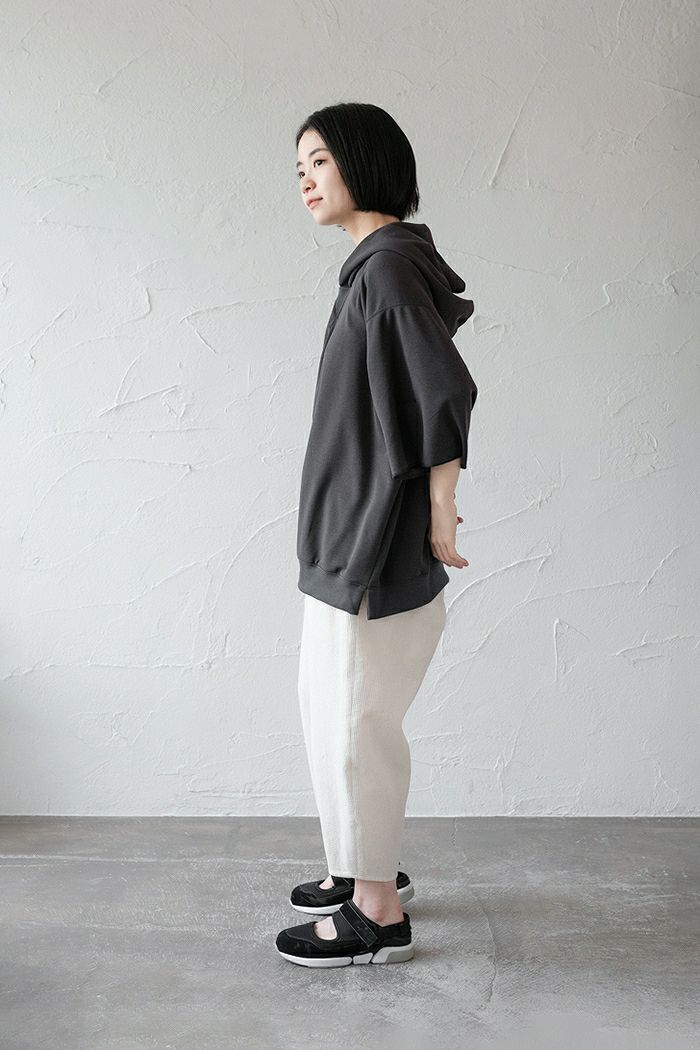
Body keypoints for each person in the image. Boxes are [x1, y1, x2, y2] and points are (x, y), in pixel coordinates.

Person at [275, 103, 478, 968]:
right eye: (299, 167)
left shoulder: (388, 269)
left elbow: (443, 391)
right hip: (346, 535)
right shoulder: (377, 268)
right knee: (332, 710)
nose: (305, 179)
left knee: (355, 721)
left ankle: (376, 912)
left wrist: (440, 505)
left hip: (369, 542)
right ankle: (360, 864)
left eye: (320, 160)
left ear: (365, 161)